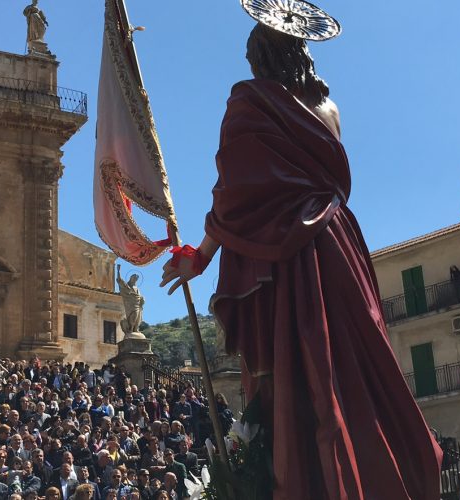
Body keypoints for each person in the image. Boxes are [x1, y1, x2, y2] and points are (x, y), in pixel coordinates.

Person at [159, 20, 441, 500]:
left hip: (284, 261)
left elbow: (236, 193)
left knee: (298, 368)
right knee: (354, 366)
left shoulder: (249, 103)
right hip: (338, 244)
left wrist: (199, 258)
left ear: (260, 58)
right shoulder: (330, 109)